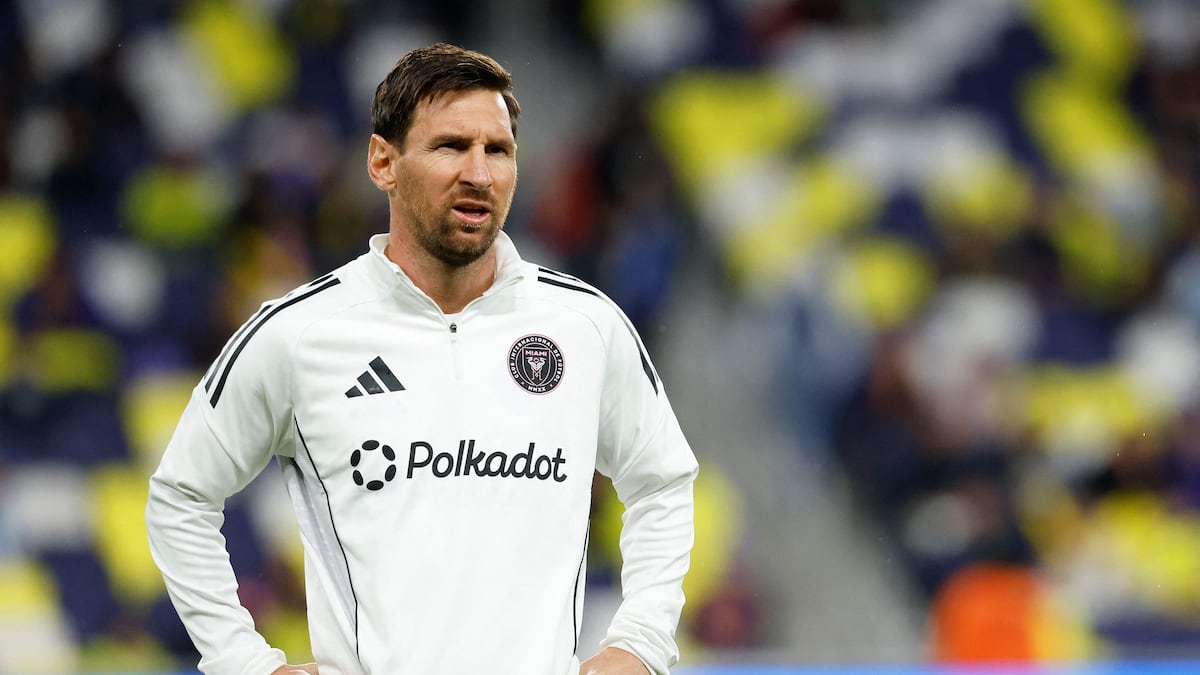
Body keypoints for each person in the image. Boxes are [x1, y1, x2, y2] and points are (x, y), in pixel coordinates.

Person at [145, 43, 698, 675]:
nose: (479, 173)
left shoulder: (586, 326)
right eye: (451, 147)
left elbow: (662, 483)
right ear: (383, 162)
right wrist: (245, 663)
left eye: (498, 150)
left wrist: (641, 643)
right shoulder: (299, 334)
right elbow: (181, 496)